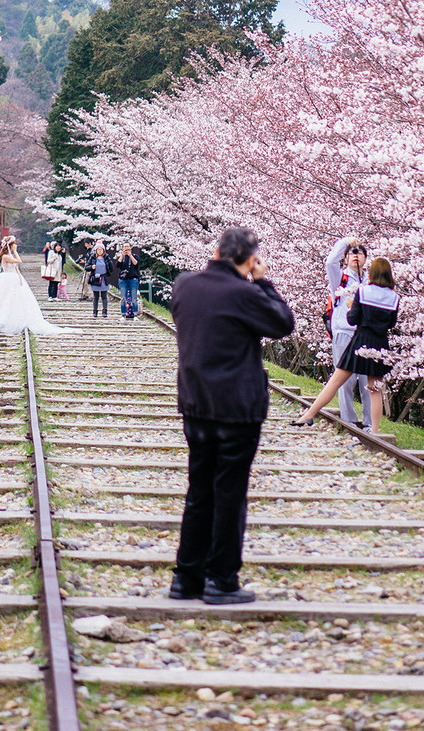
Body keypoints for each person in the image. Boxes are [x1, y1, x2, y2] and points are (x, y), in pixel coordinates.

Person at [169, 226, 295, 604]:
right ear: (250, 259)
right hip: (237, 408)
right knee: (229, 494)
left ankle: (186, 578)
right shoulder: (245, 293)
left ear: (216, 250)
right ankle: (221, 580)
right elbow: (282, 324)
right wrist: (263, 281)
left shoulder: (185, 285)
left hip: (195, 402)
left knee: (199, 490)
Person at [291, 258, 400, 435]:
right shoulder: (394, 297)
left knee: (335, 381)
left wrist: (350, 306)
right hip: (380, 345)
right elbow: (391, 324)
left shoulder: (363, 292)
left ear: (371, 273)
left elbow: (352, 320)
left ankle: (309, 415)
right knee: (375, 390)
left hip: (360, 342)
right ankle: (375, 430)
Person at [324, 236, 371, 428]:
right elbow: (329, 262)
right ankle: (349, 420)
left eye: (359, 252)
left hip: (366, 334)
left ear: (366, 258)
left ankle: (369, 424)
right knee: (345, 380)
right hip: (343, 332)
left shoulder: (371, 280)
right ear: (345, 258)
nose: (355, 255)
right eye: (352, 253)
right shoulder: (340, 278)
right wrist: (346, 242)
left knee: (368, 383)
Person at [88, 241, 115, 319]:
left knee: (104, 296)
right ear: (96, 250)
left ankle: (104, 311)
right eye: (98, 249)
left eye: (101, 249)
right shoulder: (93, 257)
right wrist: (91, 267)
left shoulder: (106, 257)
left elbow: (111, 268)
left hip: (103, 278)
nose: (100, 251)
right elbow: (87, 267)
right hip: (95, 278)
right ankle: (95, 311)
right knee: (95, 296)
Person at [117, 243, 141, 320]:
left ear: (130, 247)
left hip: (133, 279)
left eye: (127, 246)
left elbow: (136, 264)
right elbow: (117, 265)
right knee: (123, 297)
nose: (126, 248)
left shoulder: (135, 256)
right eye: (124, 247)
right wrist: (122, 255)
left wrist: (130, 255)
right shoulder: (122, 257)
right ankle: (123, 315)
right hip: (123, 279)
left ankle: (135, 314)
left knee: (134, 297)